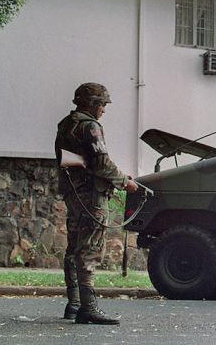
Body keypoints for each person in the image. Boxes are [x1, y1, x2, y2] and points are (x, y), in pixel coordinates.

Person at [55, 83, 138, 325]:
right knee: (89, 249)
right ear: (92, 104)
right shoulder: (91, 126)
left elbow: (70, 159)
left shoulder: (66, 124)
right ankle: (88, 308)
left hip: (74, 194)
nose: (104, 109)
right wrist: (124, 182)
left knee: (74, 248)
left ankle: (74, 303)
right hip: (92, 196)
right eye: (102, 104)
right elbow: (101, 163)